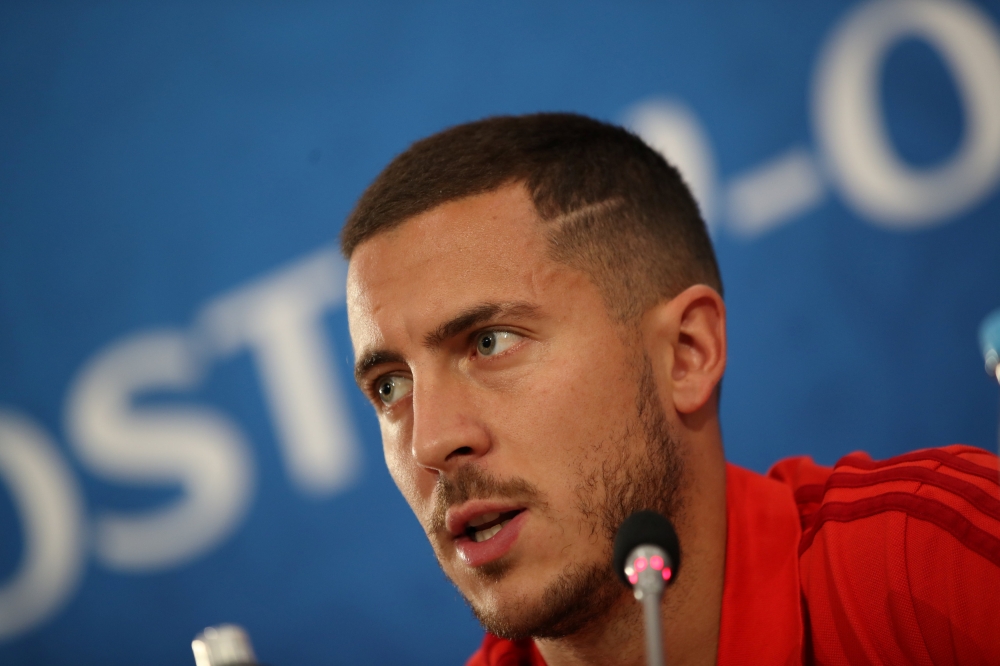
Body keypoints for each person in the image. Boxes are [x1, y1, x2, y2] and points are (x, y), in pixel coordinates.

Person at [340, 113, 1000, 665]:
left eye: (490, 342)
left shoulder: (929, 566)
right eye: (390, 385)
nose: (430, 442)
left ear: (687, 354)